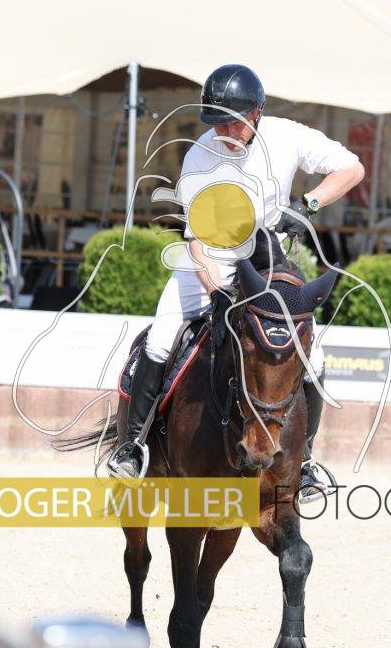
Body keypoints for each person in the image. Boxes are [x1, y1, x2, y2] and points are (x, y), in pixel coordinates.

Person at [107, 64, 366, 494]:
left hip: (266, 259)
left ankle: (304, 461)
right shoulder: (199, 154)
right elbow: (195, 242)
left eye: (233, 122)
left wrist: (307, 205)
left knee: (314, 359)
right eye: (216, 122)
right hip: (209, 257)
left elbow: (351, 169)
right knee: (161, 338)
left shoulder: (287, 136)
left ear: (257, 113)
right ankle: (132, 447)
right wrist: (215, 292)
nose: (224, 131)